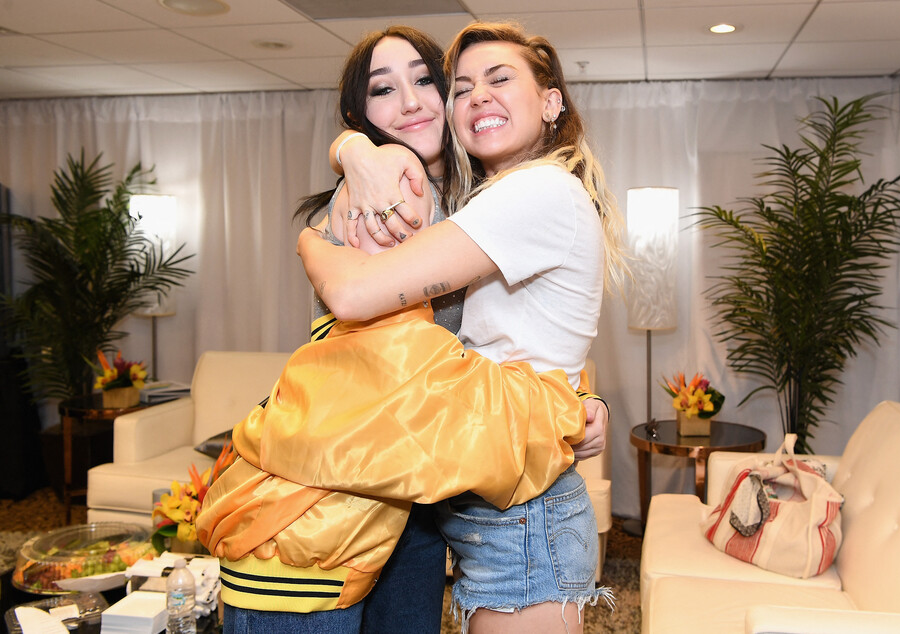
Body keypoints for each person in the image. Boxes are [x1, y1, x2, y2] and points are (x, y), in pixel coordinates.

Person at [197, 26, 608, 634]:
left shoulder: (484, 198)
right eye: (383, 89)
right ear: (359, 114)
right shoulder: (388, 187)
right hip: (325, 508)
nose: (412, 102)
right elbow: (371, 320)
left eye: (426, 81)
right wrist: (343, 181)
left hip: (416, 501)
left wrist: (570, 397)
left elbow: (483, 348)